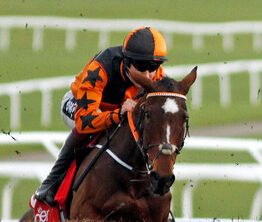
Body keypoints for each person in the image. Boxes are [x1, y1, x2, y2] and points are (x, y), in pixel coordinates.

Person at [33, 27, 169, 206]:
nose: (148, 75)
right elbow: (84, 121)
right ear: (128, 61)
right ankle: (51, 183)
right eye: (142, 67)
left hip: (116, 110)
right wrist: (117, 114)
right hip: (79, 106)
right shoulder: (102, 67)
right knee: (87, 131)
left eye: (153, 67)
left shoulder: (157, 77)